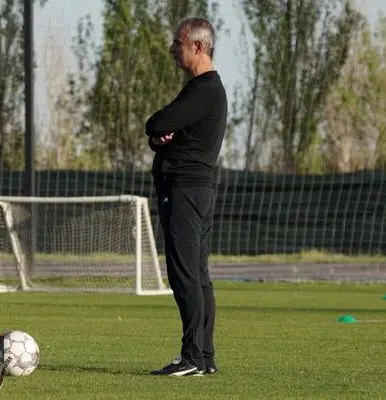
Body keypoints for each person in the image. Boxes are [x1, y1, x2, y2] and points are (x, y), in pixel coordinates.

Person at [145, 16, 227, 377]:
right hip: (196, 189)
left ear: (197, 46)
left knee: (184, 274)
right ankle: (204, 357)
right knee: (197, 273)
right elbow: (162, 133)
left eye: (177, 44)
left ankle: (192, 357)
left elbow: (156, 123)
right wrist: (160, 137)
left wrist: (159, 132)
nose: (172, 50)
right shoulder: (203, 90)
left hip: (185, 190)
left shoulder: (204, 89)